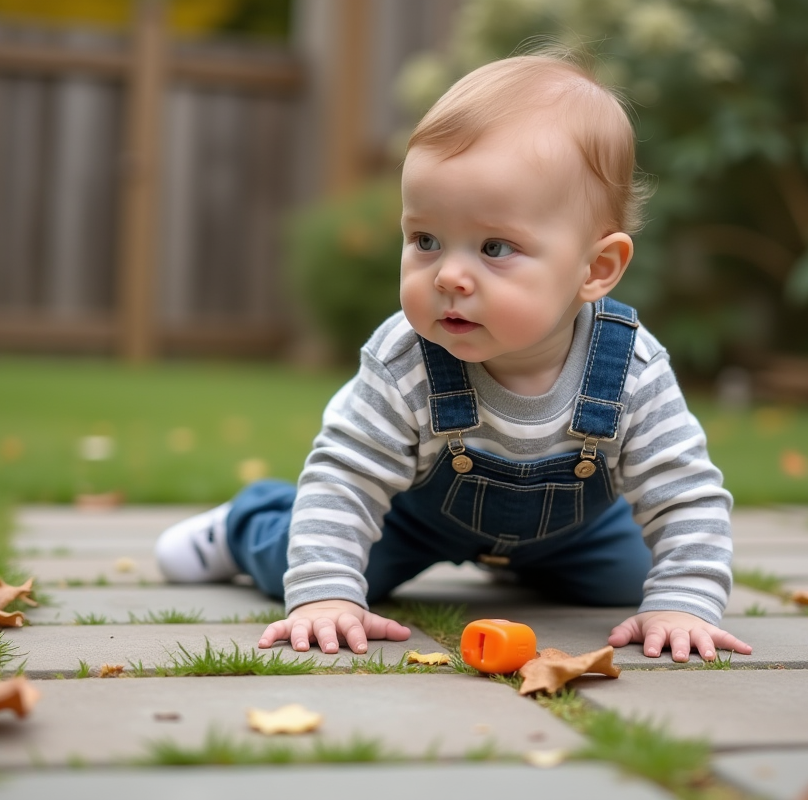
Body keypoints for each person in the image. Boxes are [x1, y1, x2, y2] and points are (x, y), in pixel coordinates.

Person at [155, 52, 752, 664]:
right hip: (413, 520)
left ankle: (521, 564)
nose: (449, 276)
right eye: (426, 240)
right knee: (312, 562)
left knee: (630, 580)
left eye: (495, 248)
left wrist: (683, 604)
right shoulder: (406, 358)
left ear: (596, 268)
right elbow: (346, 477)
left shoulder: (630, 370)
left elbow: (684, 492)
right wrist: (325, 595)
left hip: (573, 532)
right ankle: (245, 522)